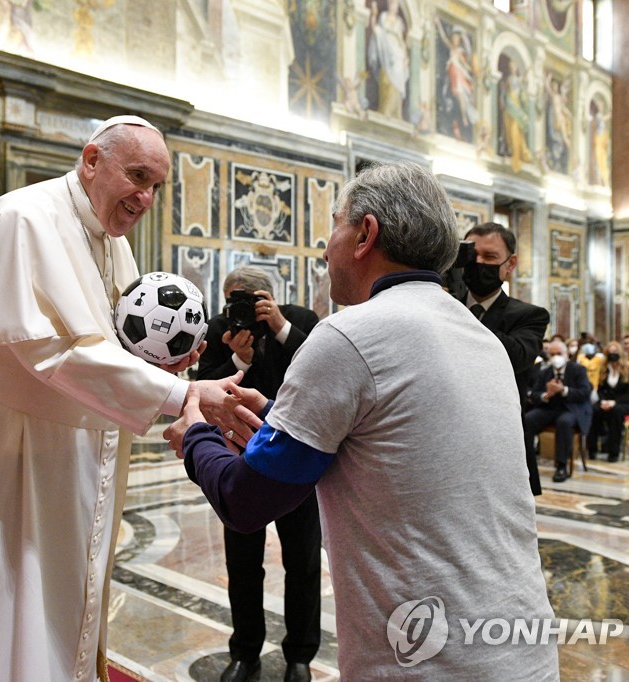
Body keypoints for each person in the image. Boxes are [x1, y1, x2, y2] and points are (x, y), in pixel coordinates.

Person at [0, 116, 233, 682]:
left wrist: (158, 362)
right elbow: (53, 354)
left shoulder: (113, 244)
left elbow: (106, 344)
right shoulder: (22, 219)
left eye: (156, 185)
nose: (146, 198)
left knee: (49, 607)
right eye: (137, 176)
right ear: (92, 160)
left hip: (61, 455)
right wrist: (179, 392)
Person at [166, 162, 558, 679]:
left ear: (365, 234)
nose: (325, 249)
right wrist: (278, 420)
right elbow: (388, 445)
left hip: (427, 659)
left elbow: (247, 500)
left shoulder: (349, 334)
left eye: (334, 226)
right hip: (521, 647)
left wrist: (195, 433)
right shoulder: (479, 336)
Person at [197, 266, 321, 682]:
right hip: (240, 456)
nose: (243, 308)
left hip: (295, 456)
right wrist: (239, 360)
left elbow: (321, 371)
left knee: (302, 561)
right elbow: (202, 387)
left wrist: (282, 328)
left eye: (252, 300)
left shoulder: (300, 320)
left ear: (272, 297)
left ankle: (300, 656)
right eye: (236, 298)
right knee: (243, 561)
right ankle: (245, 651)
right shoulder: (219, 328)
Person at [459, 221, 550, 494]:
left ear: (510, 264)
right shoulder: (442, 302)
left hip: (498, 438)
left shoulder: (529, 315)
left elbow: (518, 357)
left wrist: (456, 317)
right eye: (472, 256)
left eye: (489, 257)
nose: (479, 263)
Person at [524, 339, 593, 483]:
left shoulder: (578, 370)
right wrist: (546, 394)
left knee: (564, 422)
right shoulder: (545, 372)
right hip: (549, 408)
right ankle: (526, 464)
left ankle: (561, 466)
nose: (556, 357)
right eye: (552, 354)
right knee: (528, 420)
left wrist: (564, 390)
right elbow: (535, 394)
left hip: (570, 409)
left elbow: (585, 392)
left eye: (559, 353)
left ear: (567, 354)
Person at [588, 341, 629, 462]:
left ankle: (613, 452)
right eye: (610, 352)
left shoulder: (628, 370)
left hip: (623, 403)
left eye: (615, 352)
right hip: (605, 401)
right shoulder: (604, 369)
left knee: (615, 413)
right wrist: (603, 401)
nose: (612, 355)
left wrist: (614, 402)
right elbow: (600, 389)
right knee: (593, 411)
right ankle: (592, 449)